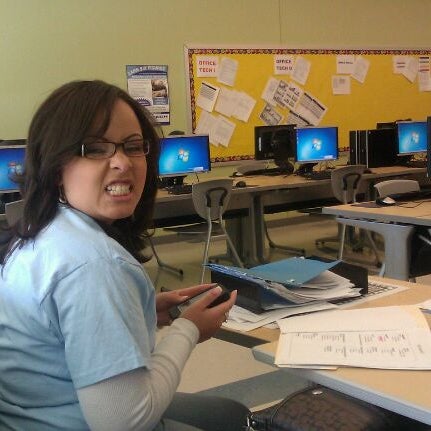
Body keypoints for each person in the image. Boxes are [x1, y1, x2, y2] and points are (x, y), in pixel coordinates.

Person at [0, 80, 249, 431]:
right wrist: (188, 328)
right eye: (95, 148)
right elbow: (124, 422)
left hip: (31, 414)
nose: (122, 162)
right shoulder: (93, 265)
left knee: (229, 414)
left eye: (133, 146)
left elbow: (57, 326)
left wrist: (142, 308)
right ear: (56, 166)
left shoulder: (40, 231)